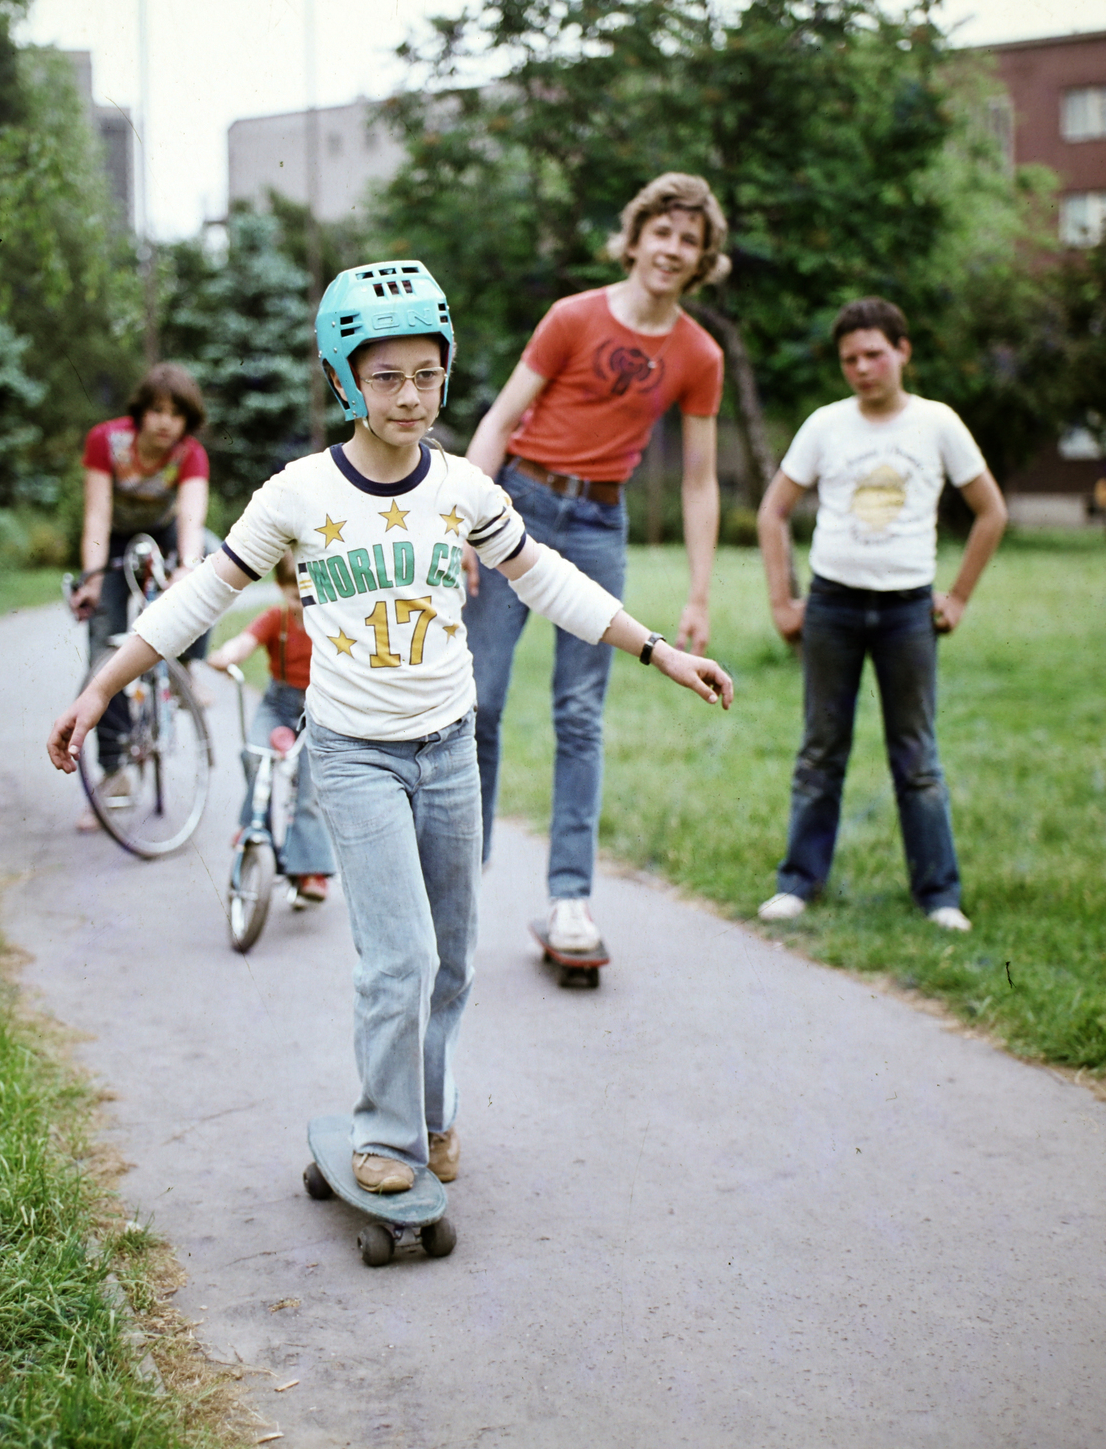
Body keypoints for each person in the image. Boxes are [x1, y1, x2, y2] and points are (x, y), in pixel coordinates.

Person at [47, 261, 733, 1195]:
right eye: (386, 377)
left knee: (451, 958)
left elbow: (548, 580)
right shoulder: (298, 495)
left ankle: (434, 1116)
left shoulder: (463, 488)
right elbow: (202, 590)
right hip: (354, 754)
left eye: (427, 374)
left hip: (450, 752)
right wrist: (102, 686)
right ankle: (382, 1128)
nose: (411, 397)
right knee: (398, 957)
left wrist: (656, 648)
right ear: (344, 381)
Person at [463, 172, 730, 956]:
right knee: (479, 700)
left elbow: (700, 480)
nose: (672, 250)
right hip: (518, 505)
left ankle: (570, 902)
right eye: (663, 232)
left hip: (598, 523)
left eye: (690, 240)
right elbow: (501, 417)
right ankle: (461, 884)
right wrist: (464, 524)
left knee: (580, 715)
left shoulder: (698, 354)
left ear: (701, 257)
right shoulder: (572, 316)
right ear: (637, 236)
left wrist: (701, 592)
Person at [755, 297, 1008, 930]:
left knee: (916, 757)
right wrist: (783, 602)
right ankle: (799, 882)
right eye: (850, 359)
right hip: (833, 605)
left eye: (874, 354)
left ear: (902, 351)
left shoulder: (938, 424)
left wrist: (959, 597)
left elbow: (991, 511)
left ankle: (939, 896)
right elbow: (773, 511)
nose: (863, 368)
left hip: (907, 611)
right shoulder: (826, 425)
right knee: (820, 750)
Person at [70, 362, 212, 830]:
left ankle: (187, 664)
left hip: (165, 533)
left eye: (176, 413)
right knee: (103, 652)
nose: (165, 421)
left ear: (187, 420)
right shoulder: (106, 442)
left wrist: (187, 567)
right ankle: (114, 773)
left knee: (210, 556)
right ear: (141, 412)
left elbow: (191, 515)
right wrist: (92, 577)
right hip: (114, 538)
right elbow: (97, 513)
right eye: (156, 410)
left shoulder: (190, 454)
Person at [206, 552, 335, 905]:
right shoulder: (275, 620)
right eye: (295, 595)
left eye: (310, 595)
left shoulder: (330, 622)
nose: (303, 604)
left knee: (308, 791)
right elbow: (244, 641)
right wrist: (227, 656)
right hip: (277, 704)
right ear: (281, 588)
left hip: (318, 709)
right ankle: (253, 826)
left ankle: (311, 870)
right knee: (254, 753)